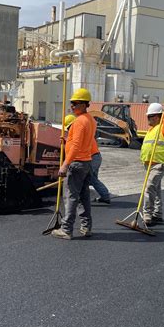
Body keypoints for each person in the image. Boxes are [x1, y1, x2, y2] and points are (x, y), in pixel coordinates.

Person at [51, 88, 97, 240]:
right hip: (86, 163)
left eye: (75, 104)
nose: (72, 106)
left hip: (76, 164)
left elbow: (76, 146)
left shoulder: (78, 122)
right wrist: (67, 141)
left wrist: (65, 164)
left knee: (70, 197)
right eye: (72, 103)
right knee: (84, 197)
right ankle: (86, 227)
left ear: (84, 104)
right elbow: (82, 142)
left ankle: (66, 229)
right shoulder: (91, 120)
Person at [140, 102, 164, 225]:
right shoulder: (152, 129)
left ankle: (147, 214)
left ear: (157, 117)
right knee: (156, 189)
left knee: (149, 187)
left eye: (150, 116)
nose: (148, 119)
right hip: (149, 164)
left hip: (159, 164)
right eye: (148, 116)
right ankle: (158, 214)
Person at [90, 138, 111, 204]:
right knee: (92, 179)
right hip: (95, 156)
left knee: (87, 178)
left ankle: (81, 199)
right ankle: (105, 196)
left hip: (92, 158)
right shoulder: (88, 132)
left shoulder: (82, 133)